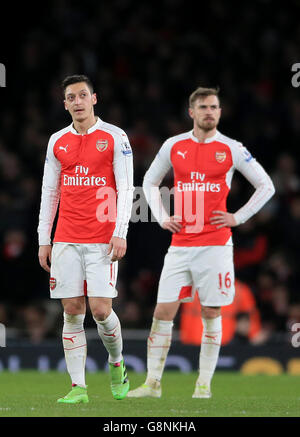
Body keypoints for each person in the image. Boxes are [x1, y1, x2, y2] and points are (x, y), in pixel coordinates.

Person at [127, 86, 275, 399]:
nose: (210, 112)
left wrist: (239, 217)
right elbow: (150, 182)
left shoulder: (232, 148)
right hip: (180, 244)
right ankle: (153, 384)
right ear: (191, 112)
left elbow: (266, 185)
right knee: (162, 311)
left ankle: (203, 384)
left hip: (216, 246)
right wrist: (162, 216)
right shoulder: (174, 145)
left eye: (214, 107)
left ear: (219, 112)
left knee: (211, 312)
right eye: (204, 107)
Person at [38, 74, 134, 403]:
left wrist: (120, 233)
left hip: (102, 239)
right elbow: (50, 192)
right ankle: (79, 387)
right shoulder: (57, 141)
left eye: (83, 95)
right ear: (65, 104)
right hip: (65, 237)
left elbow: (125, 189)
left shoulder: (115, 136)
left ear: (94, 99)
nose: (77, 102)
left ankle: (117, 362)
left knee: (101, 309)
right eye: (71, 97)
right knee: (71, 308)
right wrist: (43, 238)